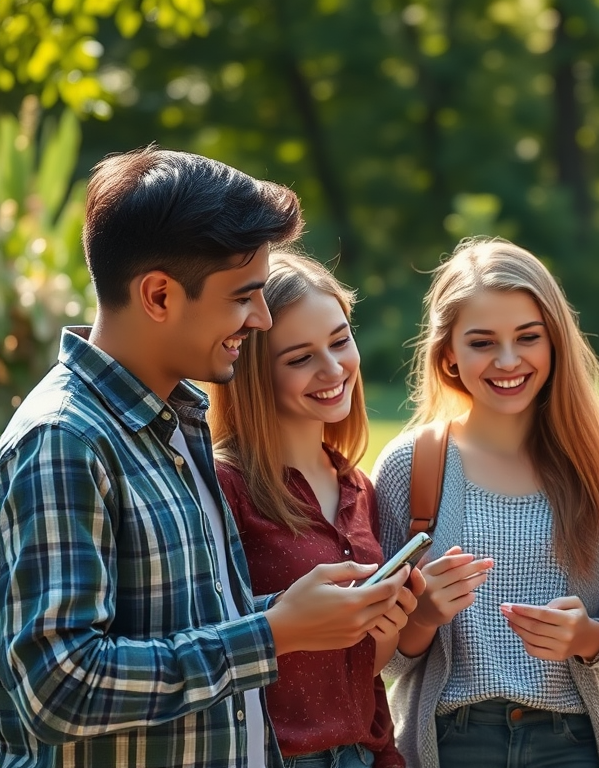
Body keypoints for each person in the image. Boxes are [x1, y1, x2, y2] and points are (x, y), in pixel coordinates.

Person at [0, 147, 408, 768]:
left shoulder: (176, 423)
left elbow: (187, 625)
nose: (261, 317)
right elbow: (59, 688)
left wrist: (294, 610)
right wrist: (273, 633)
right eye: (244, 297)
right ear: (159, 296)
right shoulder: (65, 440)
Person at [371, 237, 599, 768]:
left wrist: (587, 636)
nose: (508, 360)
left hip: (572, 744)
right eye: (481, 342)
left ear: (555, 341)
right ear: (447, 353)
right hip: (449, 740)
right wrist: (423, 615)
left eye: (528, 337)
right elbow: (382, 660)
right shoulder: (410, 464)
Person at [208, 252, 420, 768]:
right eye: (300, 357)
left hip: (366, 753)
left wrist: (389, 623)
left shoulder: (357, 486)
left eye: (340, 340)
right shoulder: (222, 486)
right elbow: (212, 649)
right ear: (256, 372)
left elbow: (365, 666)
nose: (333, 369)